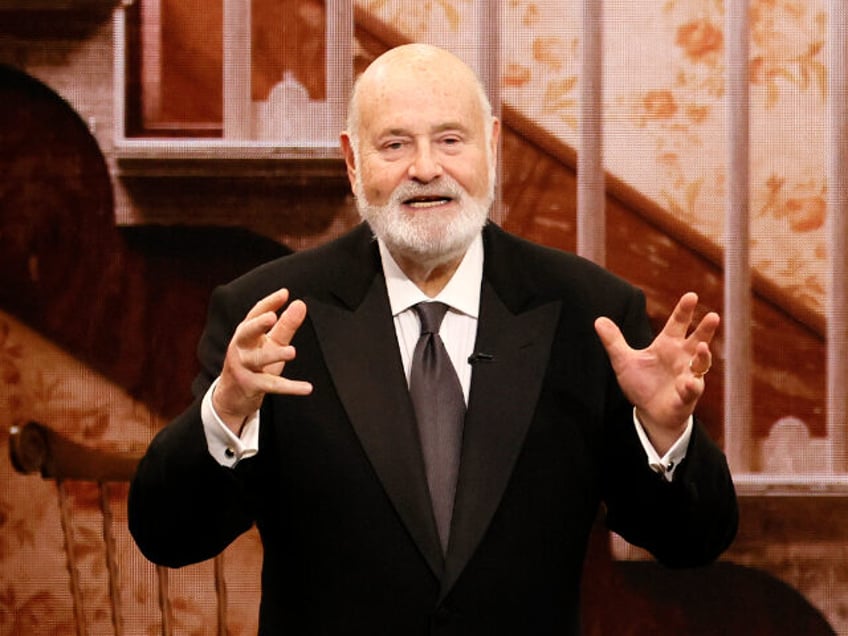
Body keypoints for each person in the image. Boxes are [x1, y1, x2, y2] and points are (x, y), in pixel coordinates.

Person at [128, 43, 737, 635]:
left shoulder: (590, 314)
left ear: (491, 148)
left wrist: (665, 434)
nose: (425, 168)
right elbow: (168, 536)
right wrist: (228, 412)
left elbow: (694, 542)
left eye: (450, 140)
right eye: (394, 144)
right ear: (352, 161)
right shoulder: (271, 317)